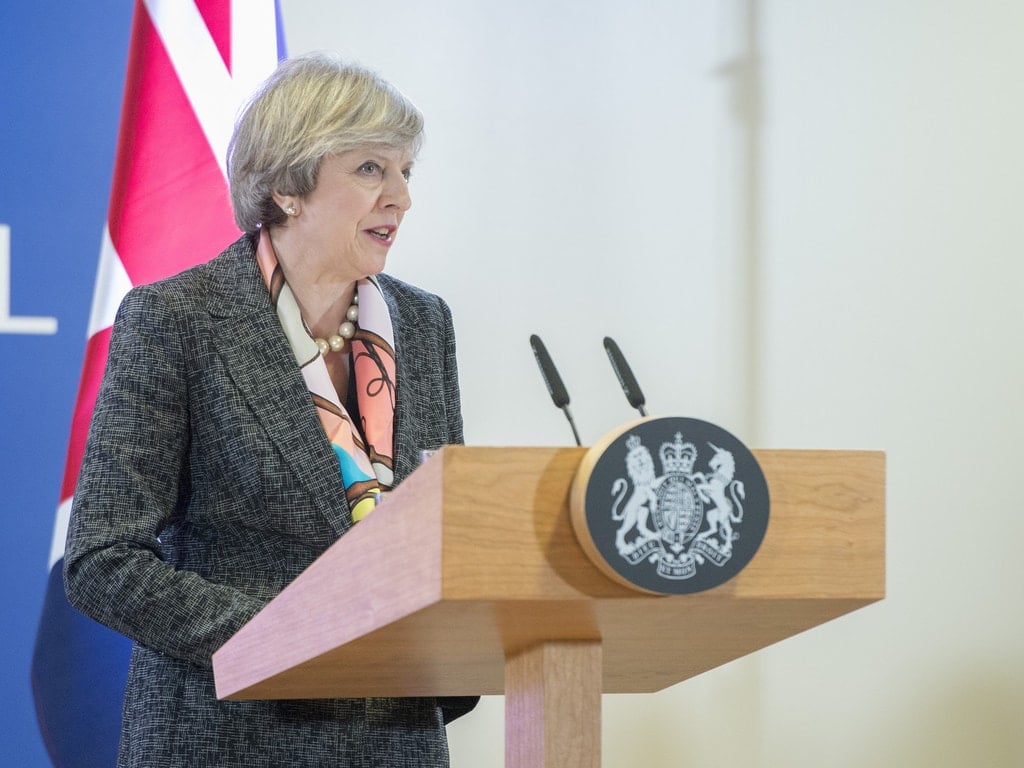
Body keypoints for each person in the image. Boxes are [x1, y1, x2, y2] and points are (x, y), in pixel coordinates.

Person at [64, 52, 477, 767]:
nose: (401, 197)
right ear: (288, 186)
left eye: (406, 171)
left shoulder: (423, 322)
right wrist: (282, 639)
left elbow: (437, 533)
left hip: (395, 740)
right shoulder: (178, 319)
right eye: (372, 169)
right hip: (228, 734)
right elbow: (103, 559)